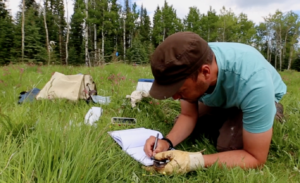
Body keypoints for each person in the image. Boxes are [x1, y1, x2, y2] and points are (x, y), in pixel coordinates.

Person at [143, 31, 287, 175]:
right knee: (189, 125)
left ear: (205, 73)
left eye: (180, 90)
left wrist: (191, 161)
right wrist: (166, 142)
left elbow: (255, 158)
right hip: (223, 92)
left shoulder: (255, 82)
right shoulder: (190, 63)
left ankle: (271, 112)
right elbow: (187, 115)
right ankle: (227, 114)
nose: (175, 97)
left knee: (229, 146)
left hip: (253, 93)